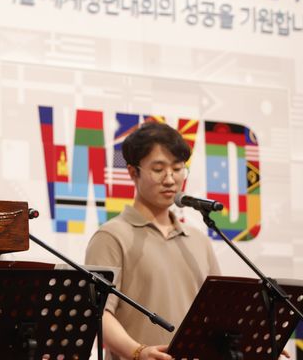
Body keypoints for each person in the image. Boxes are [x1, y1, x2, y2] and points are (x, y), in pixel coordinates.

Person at [84, 121, 220, 360]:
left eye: (178, 169)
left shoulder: (198, 240)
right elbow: (97, 314)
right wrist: (137, 352)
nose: (170, 180)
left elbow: (218, 315)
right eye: (158, 169)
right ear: (132, 172)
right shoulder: (112, 236)